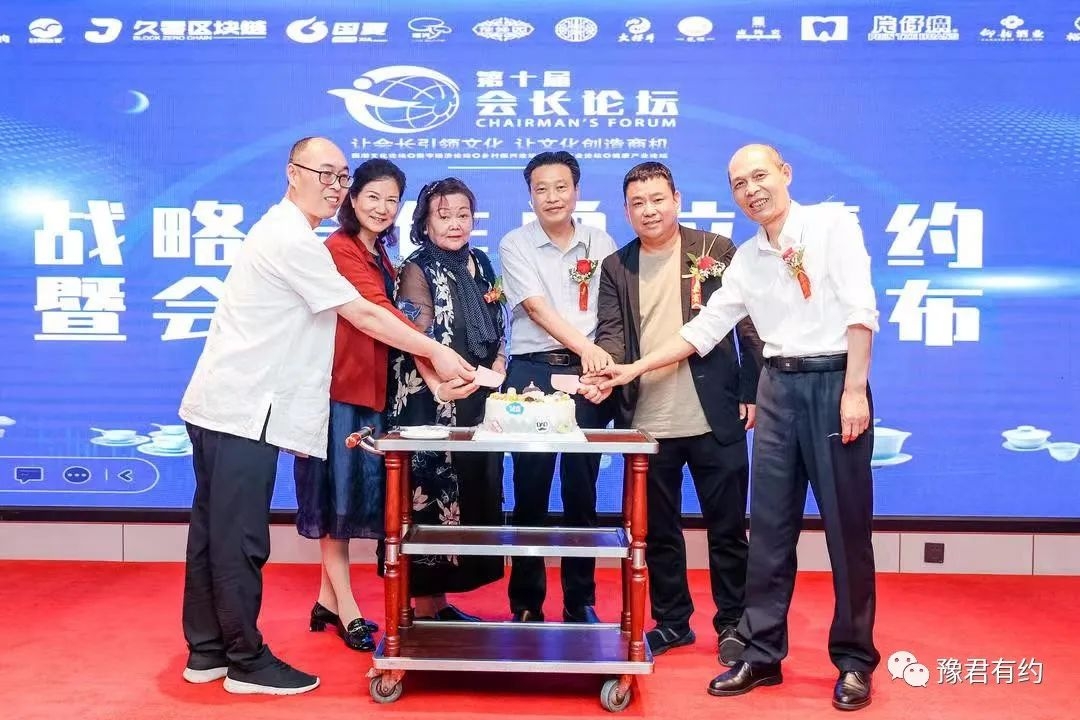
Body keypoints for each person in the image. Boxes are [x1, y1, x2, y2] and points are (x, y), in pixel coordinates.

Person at [178, 137, 473, 696]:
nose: (335, 186)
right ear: (293, 173)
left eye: (341, 176)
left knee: (213, 533)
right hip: (242, 408)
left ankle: (208, 651)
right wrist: (436, 352)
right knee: (238, 537)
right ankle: (245, 660)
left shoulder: (295, 235)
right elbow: (364, 314)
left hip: (229, 404)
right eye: (326, 174)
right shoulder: (292, 240)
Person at [595, 144, 880, 711]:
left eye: (760, 176)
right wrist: (633, 368)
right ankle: (762, 651)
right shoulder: (746, 258)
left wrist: (854, 389)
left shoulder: (832, 224)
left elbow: (860, 309)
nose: (752, 190)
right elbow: (704, 329)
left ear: (785, 174)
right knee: (769, 531)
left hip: (832, 383)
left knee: (846, 532)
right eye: (739, 184)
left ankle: (853, 660)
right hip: (777, 389)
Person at [590, 162, 763, 663]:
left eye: (657, 199)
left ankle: (733, 624)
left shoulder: (715, 250)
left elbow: (748, 325)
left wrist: (751, 390)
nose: (649, 210)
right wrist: (606, 369)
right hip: (648, 421)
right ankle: (672, 622)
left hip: (715, 415)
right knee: (659, 532)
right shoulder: (617, 266)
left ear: (677, 200)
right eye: (638, 203)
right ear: (626, 210)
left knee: (728, 530)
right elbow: (612, 332)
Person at [294, 159, 421, 652]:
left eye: (392, 200)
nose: (383, 208)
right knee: (336, 501)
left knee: (351, 497)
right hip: (336, 391)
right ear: (351, 198)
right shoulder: (338, 249)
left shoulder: (380, 252)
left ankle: (326, 601)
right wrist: (433, 355)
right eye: (373, 196)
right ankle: (348, 609)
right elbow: (376, 313)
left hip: (370, 389)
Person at [498, 151, 618, 623]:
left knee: (581, 492)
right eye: (541, 189)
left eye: (561, 187)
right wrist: (587, 349)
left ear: (577, 191)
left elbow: (612, 311)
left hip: (588, 377)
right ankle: (527, 603)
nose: (552, 197)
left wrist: (601, 363)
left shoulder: (600, 241)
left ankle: (579, 601)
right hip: (533, 373)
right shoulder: (515, 243)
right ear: (530, 195)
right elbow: (536, 307)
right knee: (530, 490)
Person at [385, 177, 506, 620]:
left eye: (463, 214)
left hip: (476, 396)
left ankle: (439, 605)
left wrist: (499, 364)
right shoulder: (415, 269)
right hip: (429, 401)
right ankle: (422, 606)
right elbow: (415, 338)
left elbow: (498, 321)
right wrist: (439, 385)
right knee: (429, 496)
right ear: (425, 223)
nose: (455, 224)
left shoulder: (481, 261)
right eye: (444, 215)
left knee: (472, 492)